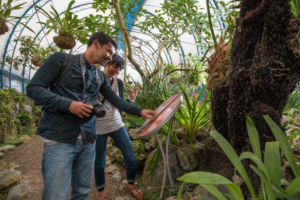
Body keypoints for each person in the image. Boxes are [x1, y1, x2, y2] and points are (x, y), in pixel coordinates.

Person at [26, 32, 155, 200]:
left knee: (82, 192)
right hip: (60, 140)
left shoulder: (99, 76)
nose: (109, 57)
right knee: (55, 195)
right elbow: (33, 88)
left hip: (87, 141)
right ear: (95, 44)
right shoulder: (60, 60)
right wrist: (68, 105)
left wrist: (139, 111)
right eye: (108, 51)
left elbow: (115, 99)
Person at [94, 54, 143, 200]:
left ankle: (131, 184)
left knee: (131, 159)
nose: (117, 70)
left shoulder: (119, 83)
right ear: (107, 64)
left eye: (120, 68)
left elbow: (118, 103)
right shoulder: (95, 79)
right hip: (98, 128)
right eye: (115, 66)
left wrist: (130, 100)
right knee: (99, 163)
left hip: (117, 124)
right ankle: (101, 194)